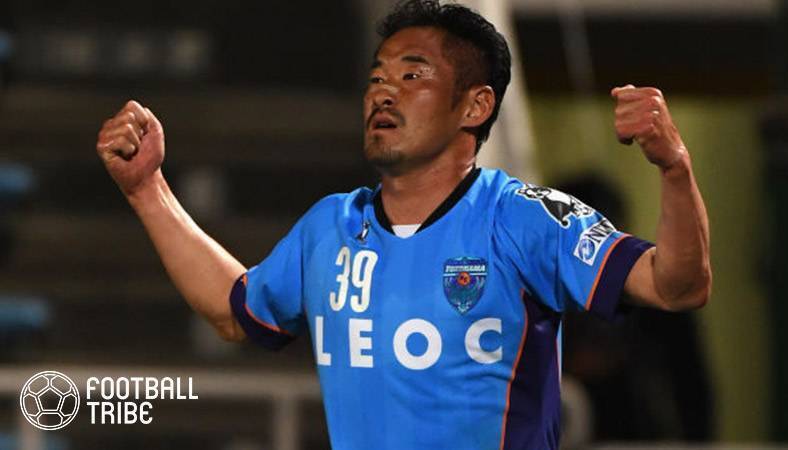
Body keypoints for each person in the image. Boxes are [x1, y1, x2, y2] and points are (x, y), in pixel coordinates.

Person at [94, 1, 711, 449]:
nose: (383, 92)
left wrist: (675, 168)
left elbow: (678, 285)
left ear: (476, 105)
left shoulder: (523, 218)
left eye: (412, 75)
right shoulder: (330, 227)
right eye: (377, 77)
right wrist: (148, 189)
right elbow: (235, 311)